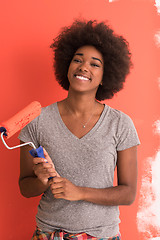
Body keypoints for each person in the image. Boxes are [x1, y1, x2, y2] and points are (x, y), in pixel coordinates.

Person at [18, 20, 140, 240]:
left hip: (101, 235)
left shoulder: (120, 124)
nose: (83, 67)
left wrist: (80, 192)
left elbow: (129, 193)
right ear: (67, 66)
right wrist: (41, 180)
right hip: (49, 234)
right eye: (77, 60)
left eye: (95, 64)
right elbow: (25, 187)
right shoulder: (36, 121)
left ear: (106, 76)